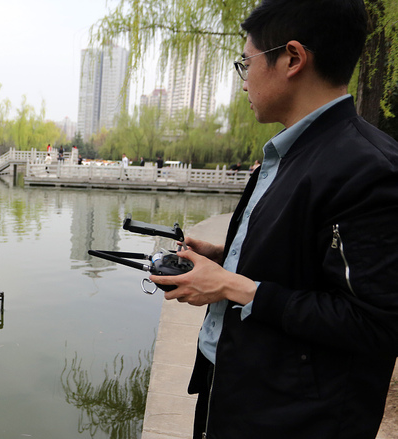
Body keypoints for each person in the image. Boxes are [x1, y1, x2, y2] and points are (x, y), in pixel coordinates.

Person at [149, 1, 398, 438]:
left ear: (293, 59)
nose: (243, 80)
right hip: (231, 384)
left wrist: (230, 284)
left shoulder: (370, 169)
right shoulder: (288, 153)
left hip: (292, 416)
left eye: (246, 63)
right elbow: (313, 260)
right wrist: (227, 256)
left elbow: (374, 323)